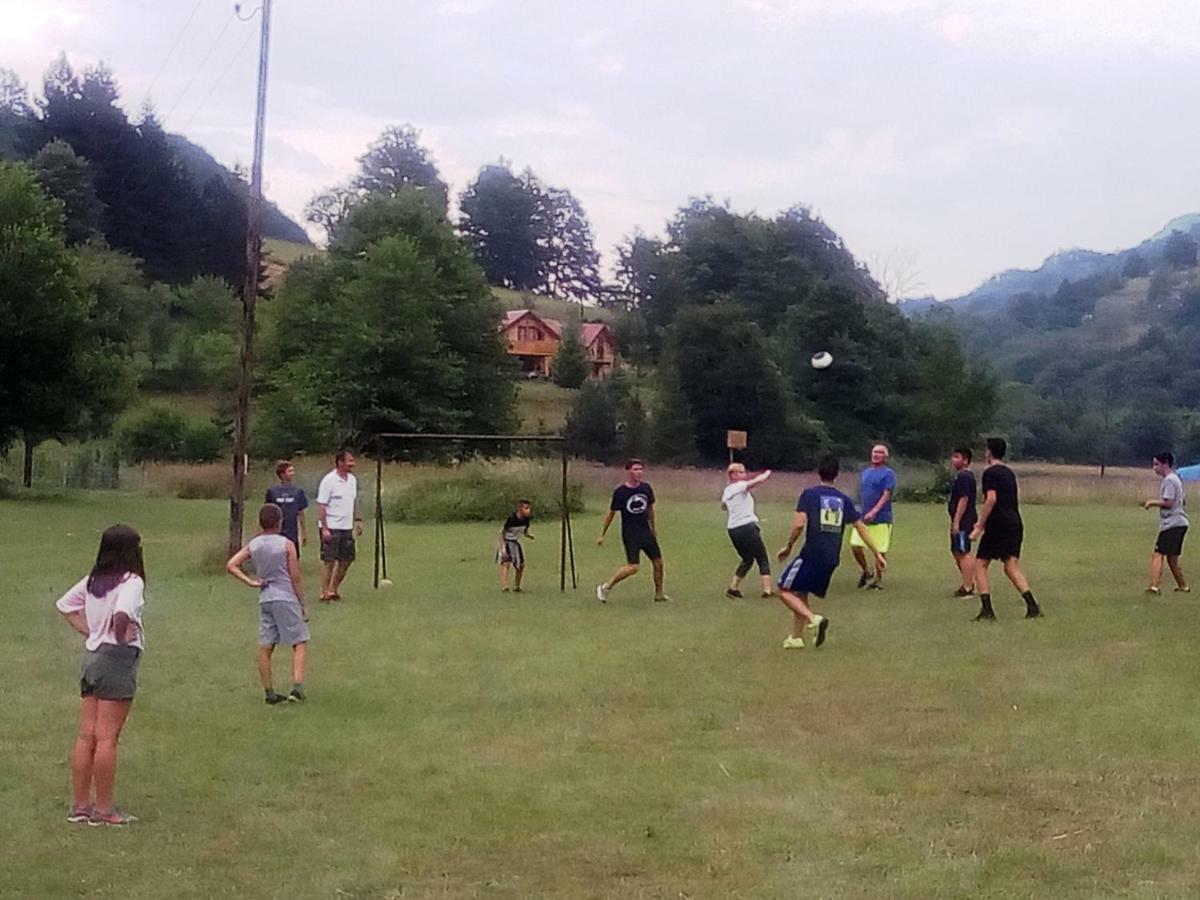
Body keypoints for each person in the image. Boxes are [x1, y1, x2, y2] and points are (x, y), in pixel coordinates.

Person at [55, 525, 146, 827]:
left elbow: (65, 605)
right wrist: (119, 634)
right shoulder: (131, 582)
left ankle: (80, 806)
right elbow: (122, 613)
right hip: (116, 660)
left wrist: (92, 632)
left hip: (92, 658)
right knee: (108, 738)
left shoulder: (95, 580)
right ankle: (104, 810)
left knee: (87, 735)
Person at [775, 456, 886, 649]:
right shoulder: (844, 500)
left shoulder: (809, 494)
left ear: (819, 471)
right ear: (837, 475)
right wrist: (876, 553)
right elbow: (861, 528)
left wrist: (789, 546)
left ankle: (813, 619)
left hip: (812, 552)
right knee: (801, 591)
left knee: (783, 589)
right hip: (832, 557)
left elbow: (799, 524)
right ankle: (796, 637)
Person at [227, 503, 310, 704]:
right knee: (299, 642)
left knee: (266, 647)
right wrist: (302, 604)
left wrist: (251, 582)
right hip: (285, 596)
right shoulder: (286, 544)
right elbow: (295, 577)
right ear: (279, 522)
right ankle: (297, 688)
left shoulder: (254, 544)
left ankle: (269, 692)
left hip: (265, 598)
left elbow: (232, 564)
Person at [969, 437, 1042, 621]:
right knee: (1011, 566)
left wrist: (979, 525)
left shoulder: (990, 473)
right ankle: (1032, 606)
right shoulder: (1009, 473)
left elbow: (991, 499)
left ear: (989, 452)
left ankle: (987, 610)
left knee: (980, 564)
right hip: (1014, 522)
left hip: (998, 524)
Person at [596, 459, 670, 603]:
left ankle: (659, 594)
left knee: (658, 563)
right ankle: (605, 587)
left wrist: (653, 529)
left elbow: (650, 510)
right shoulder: (620, 492)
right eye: (635, 469)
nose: (639, 472)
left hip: (646, 532)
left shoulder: (646, 488)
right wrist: (602, 534)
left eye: (641, 469)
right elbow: (611, 514)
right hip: (631, 533)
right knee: (633, 567)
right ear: (628, 471)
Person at [721, 463, 774, 599]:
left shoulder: (728, 490)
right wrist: (766, 474)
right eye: (741, 472)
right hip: (746, 527)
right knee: (762, 558)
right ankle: (767, 590)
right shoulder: (738, 486)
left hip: (733, 529)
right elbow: (755, 482)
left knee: (747, 559)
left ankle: (733, 588)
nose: (744, 475)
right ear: (733, 475)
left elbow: (723, 506)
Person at [316, 450, 363, 602]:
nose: (353, 463)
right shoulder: (329, 480)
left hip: (346, 526)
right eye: (350, 461)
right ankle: (324, 593)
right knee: (329, 561)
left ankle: (333, 589)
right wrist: (324, 528)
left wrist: (357, 520)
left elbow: (353, 501)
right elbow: (322, 505)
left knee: (346, 560)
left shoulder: (352, 480)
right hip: (332, 525)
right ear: (340, 462)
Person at [850, 443, 896, 590]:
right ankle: (866, 570)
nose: (876, 455)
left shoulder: (888, 473)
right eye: (874, 452)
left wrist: (875, 511)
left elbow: (887, 494)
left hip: (881, 518)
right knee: (856, 546)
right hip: (863, 517)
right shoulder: (866, 473)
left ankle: (877, 579)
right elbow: (861, 493)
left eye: (880, 453)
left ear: (885, 457)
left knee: (879, 550)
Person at [1143, 451, 1189, 595]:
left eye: (1156, 464)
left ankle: (1154, 587)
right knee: (1172, 559)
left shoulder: (1169, 480)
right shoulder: (1176, 479)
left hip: (1172, 524)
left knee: (1158, 554)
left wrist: (1152, 502)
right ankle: (1183, 586)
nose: (1154, 468)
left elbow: (1169, 502)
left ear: (1165, 464)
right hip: (1180, 522)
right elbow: (1183, 501)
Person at [948, 447, 978, 597]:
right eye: (953, 456)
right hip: (960, 520)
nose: (954, 459)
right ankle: (968, 581)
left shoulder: (965, 477)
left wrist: (957, 521)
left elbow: (964, 499)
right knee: (956, 551)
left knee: (963, 551)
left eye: (957, 456)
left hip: (964, 521)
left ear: (965, 460)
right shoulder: (959, 476)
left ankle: (968, 587)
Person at [265, 460, 309, 556]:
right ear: (282, 474)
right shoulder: (272, 491)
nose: (293, 474)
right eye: (290, 471)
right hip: (276, 532)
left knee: (292, 557)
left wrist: (304, 532)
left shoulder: (298, 491)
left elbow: (301, 512)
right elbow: (267, 512)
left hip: (292, 533)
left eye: (293, 471)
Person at [498, 499, 534, 592]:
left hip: (515, 543)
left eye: (529, 508)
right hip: (507, 542)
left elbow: (524, 531)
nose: (528, 510)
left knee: (520, 565)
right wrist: (503, 548)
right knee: (506, 563)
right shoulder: (511, 519)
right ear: (520, 509)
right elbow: (502, 532)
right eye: (526, 508)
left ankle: (516, 586)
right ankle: (504, 586)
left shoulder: (526, 520)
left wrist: (528, 535)